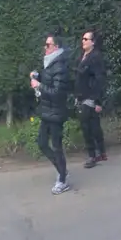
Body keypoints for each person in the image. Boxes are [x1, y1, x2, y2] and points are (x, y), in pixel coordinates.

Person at [29, 33, 73, 194]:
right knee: (41, 143)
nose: (45, 47)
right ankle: (62, 170)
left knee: (56, 146)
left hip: (56, 113)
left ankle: (63, 180)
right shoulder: (50, 63)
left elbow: (57, 92)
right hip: (47, 112)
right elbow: (48, 81)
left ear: (56, 47)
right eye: (45, 44)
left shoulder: (60, 66)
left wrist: (38, 85)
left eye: (48, 45)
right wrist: (37, 76)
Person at [75, 29, 108, 168]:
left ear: (93, 42)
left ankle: (92, 156)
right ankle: (101, 152)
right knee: (94, 126)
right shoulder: (82, 56)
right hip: (82, 96)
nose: (83, 41)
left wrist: (98, 101)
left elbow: (100, 79)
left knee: (87, 126)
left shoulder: (95, 57)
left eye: (86, 39)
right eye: (82, 39)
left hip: (90, 98)